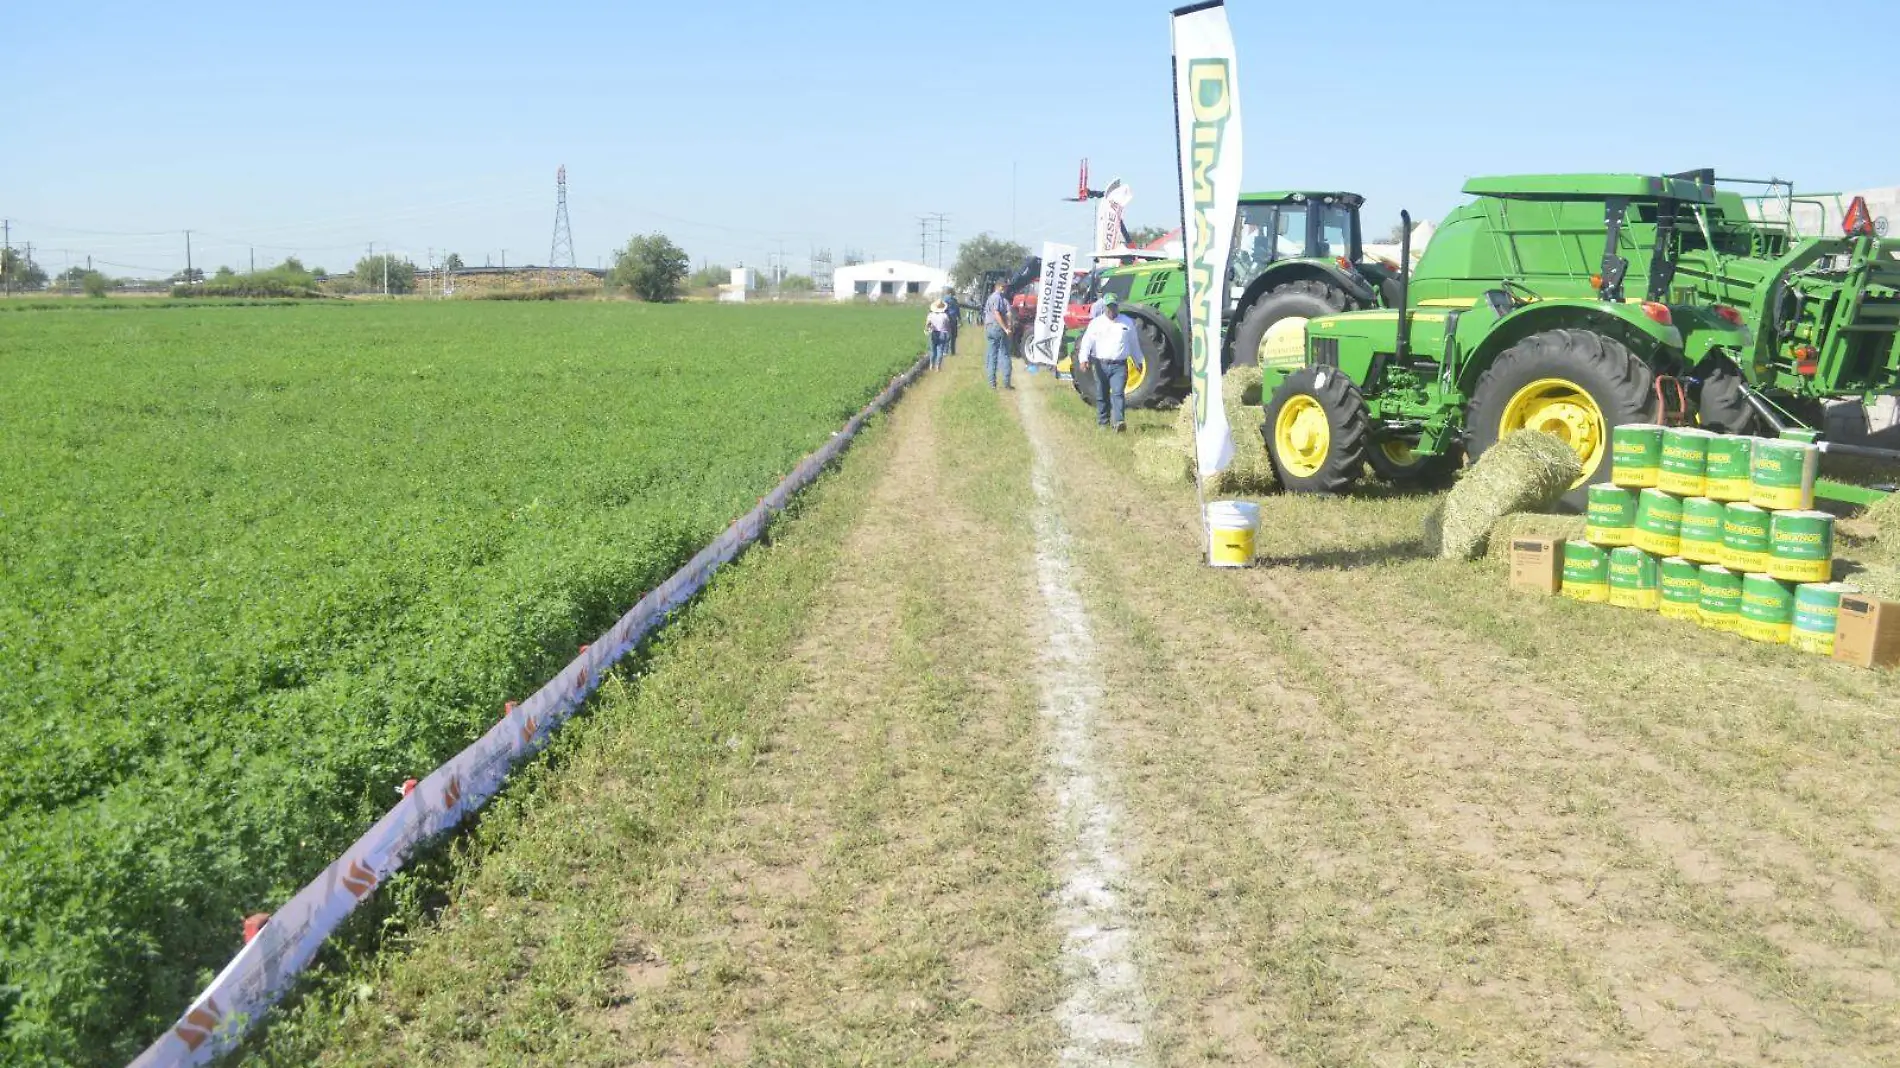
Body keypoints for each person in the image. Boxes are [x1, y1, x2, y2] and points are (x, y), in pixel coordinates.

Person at [1075, 292, 1138, 431]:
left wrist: (1138, 360)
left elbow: (1134, 344)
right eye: (1108, 307)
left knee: (1118, 393)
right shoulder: (1096, 323)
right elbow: (1086, 342)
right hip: (1100, 364)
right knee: (1102, 394)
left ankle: (1119, 422)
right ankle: (1103, 422)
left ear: (1117, 306)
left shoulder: (1127, 322)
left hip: (1119, 365)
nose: (1111, 310)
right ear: (1104, 307)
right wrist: (1083, 359)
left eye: (1113, 306)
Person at [983, 281, 1013, 390]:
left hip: (989, 327)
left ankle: (992, 383)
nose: (1005, 289)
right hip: (997, 327)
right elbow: (997, 314)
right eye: (1004, 287)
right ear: (999, 286)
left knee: (992, 355)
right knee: (1005, 354)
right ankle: (1006, 382)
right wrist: (1007, 328)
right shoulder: (999, 298)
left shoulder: (990, 298)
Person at [925, 300, 951, 371]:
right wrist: (949, 333)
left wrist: (927, 329)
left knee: (933, 350)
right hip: (943, 333)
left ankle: (931, 365)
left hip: (933, 333)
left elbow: (927, 324)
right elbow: (948, 326)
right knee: (940, 350)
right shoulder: (945, 315)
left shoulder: (930, 315)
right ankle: (938, 366)